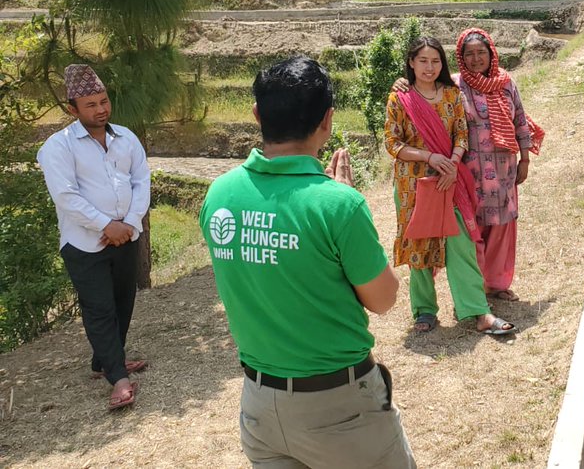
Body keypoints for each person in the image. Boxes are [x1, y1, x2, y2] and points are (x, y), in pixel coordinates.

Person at [199, 56, 416, 468]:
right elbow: (383, 299)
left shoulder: (220, 195)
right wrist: (341, 202)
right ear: (328, 120)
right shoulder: (338, 205)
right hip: (340, 407)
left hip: (259, 406)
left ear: (257, 114)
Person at [384, 36, 517, 335]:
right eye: (422, 61)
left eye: (435, 61)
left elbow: (461, 134)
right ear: (410, 63)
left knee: (461, 243)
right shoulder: (400, 98)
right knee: (419, 244)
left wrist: (453, 164)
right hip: (413, 183)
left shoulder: (452, 94)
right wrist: (431, 157)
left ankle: (478, 311)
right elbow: (393, 143)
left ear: (443, 64)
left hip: (448, 179)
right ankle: (424, 311)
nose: (429, 67)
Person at [37, 64, 150, 411]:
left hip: (126, 236)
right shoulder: (58, 147)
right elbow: (66, 196)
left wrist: (129, 223)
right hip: (85, 244)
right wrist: (106, 225)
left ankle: (104, 360)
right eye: (91, 105)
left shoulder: (126, 138)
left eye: (103, 101)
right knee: (100, 309)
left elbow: (141, 180)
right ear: (73, 110)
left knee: (122, 301)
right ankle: (118, 378)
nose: (101, 109)